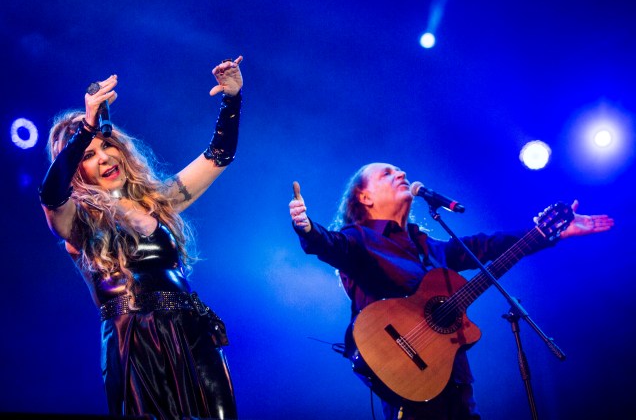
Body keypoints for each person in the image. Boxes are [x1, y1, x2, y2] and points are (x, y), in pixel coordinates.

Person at [289, 162, 614, 420]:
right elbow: (330, 246)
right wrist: (309, 230)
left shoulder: (429, 247)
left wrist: (545, 232)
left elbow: (486, 245)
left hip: (454, 381)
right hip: (406, 381)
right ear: (364, 197)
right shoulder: (358, 238)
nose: (401, 173)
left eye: (399, 169)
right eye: (386, 173)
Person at [39, 56, 244, 420]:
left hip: (191, 334)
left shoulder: (159, 203)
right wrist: (87, 126)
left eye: (107, 145)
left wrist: (232, 98)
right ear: (76, 170)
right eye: (89, 155)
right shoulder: (78, 223)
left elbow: (218, 156)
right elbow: (51, 194)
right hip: (135, 342)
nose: (104, 158)